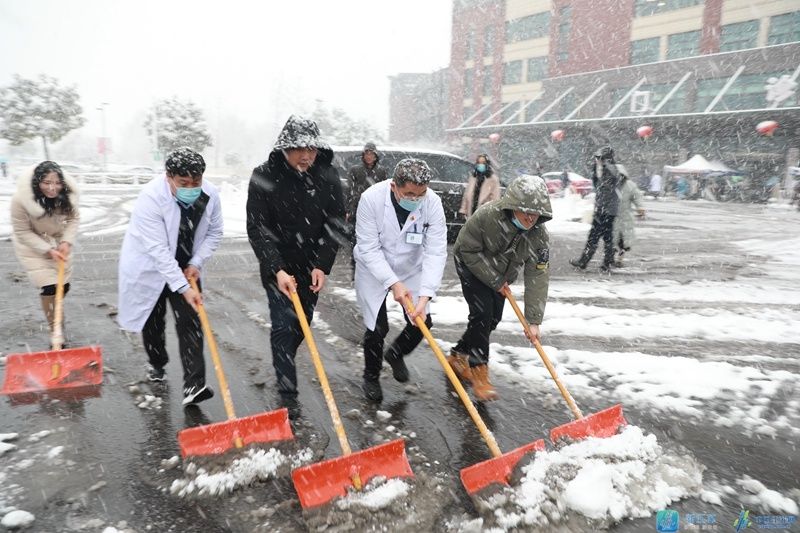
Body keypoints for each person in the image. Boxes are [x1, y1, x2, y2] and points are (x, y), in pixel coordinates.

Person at [246, 115, 345, 415]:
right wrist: (277, 268)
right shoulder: (264, 175)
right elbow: (258, 228)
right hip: (277, 264)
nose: (306, 156)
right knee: (282, 324)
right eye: (299, 149)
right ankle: (287, 393)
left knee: (301, 324)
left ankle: (283, 357)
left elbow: (336, 223)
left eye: (312, 149)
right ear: (285, 148)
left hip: (310, 264)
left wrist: (322, 265)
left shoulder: (327, 176)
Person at [117, 148, 223, 406]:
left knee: (191, 322)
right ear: (169, 177)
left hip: (187, 266)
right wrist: (182, 287)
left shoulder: (210, 195)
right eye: (183, 183)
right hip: (151, 267)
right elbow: (158, 250)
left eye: (195, 182)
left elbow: (215, 232)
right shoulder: (151, 198)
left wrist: (196, 263)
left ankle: (194, 384)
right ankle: (157, 364)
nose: (191, 187)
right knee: (153, 323)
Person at [449, 175, 552, 401]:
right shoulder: (487, 216)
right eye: (524, 210)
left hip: (503, 274)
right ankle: (479, 373)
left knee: (492, 319)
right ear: (511, 206)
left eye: (534, 212)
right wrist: (494, 280)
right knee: (482, 313)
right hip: (471, 263)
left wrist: (533, 320)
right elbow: (468, 251)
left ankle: (458, 354)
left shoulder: (539, 236)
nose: (529, 217)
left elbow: (538, 274)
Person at [354, 158, 447, 402]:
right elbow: (368, 248)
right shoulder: (371, 199)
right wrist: (392, 282)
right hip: (373, 267)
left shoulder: (432, 203)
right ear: (394, 186)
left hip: (410, 266)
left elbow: (436, 250)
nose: (415, 199)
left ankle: (396, 353)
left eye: (420, 194)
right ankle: (371, 376)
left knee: (422, 321)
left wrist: (426, 293)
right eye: (409, 194)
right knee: (377, 327)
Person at [11, 161, 80, 349]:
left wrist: (66, 241)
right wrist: (47, 250)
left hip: (59, 242)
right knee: (50, 287)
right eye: (46, 182)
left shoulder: (67, 196)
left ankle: (56, 315)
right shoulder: (20, 200)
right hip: (32, 245)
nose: (52, 188)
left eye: (57, 182)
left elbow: (74, 218)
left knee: (63, 287)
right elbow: (22, 231)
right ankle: (56, 331)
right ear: (37, 182)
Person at [569, 146, 621, 273]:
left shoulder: (609, 170)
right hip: (609, 210)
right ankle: (606, 263)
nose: (596, 160)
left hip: (605, 210)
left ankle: (584, 262)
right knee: (607, 237)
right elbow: (598, 185)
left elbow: (604, 190)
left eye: (598, 157)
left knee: (594, 236)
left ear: (605, 158)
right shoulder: (609, 169)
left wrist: (600, 210)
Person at [345, 142, 388, 277]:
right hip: (357, 210)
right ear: (363, 156)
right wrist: (348, 209)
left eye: (372, 154)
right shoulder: (355, 170)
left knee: (374, 242)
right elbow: (349, 190)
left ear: (376, 156)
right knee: (356, 242)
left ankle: (372, 271)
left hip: (375, 211)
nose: (369, 157)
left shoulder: (381, 171)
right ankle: (355, 271)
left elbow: (385, 190)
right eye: (367, 154)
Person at [612, 165, 645, 267]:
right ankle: (610, 258)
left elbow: (637, 197)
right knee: (612, 240)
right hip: (612, 217)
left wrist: (640, 207)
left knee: (623, 242)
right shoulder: (610, 185)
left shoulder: (630, 185)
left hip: (625, 218)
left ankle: (619, 259)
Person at [459, 154, 501, 219]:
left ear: (487, 164)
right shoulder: (473, 177)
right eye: (479, 163)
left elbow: (495, 198)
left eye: (483, 163)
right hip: (472, 211)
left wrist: (492, 213)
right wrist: (463, 210)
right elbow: (466, 195)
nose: (481, 165)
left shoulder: (493, 179)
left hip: (485, 214)